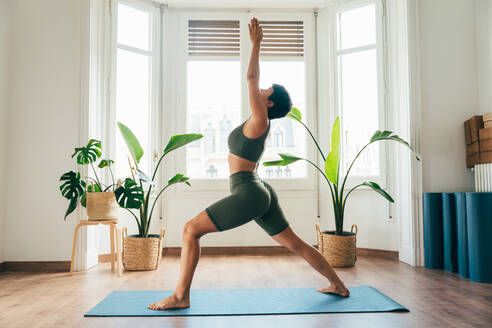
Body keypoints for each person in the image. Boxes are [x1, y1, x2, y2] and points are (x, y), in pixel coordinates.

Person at [148, 17, 349, 311]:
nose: (261, 89)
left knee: (190, 229)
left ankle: (181, 296)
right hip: (257, 189)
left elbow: (251, 78)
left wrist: (257, 44)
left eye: (267, 90)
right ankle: (339, 285)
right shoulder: (257, 121)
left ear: (269, 103)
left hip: (249, 191)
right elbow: (254, 83)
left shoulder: (261, 119)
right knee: (295, 243)